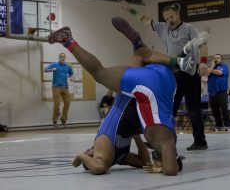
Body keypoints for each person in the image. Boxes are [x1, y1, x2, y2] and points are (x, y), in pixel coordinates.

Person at [48, 16, 189, 175]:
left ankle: (160, 55)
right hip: (139, 95)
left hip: (161, 85)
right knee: (99, 73)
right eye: (89, 154)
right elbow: (98, 167)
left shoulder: (120, 156)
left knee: (140, 56)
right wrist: (80, 157)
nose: (89, 151)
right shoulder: (106, 156)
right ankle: (68, 41)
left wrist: (136, 137)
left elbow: (144, 162)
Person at [121, 0, 208, 150]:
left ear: (178, 14)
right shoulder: (163, 28)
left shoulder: (189, 29)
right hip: (173, 72)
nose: (170, 21)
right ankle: (163, 139)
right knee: (169, 107)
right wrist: (130, 9)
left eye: (172, 17)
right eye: (167, 18)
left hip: (190, 72)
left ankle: (200, 141)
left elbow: (203, 44)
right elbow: (144, 19)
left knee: (193, 107)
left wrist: (204, 62)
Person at [72, 94, 151, 174]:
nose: (89, 148)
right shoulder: (120, 157)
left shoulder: (102, 145)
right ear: (92, 157)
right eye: (87, 151)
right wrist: (137, 138)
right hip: (134, 104)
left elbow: (98, 168)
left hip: (127, 99)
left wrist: (80, 156)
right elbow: (146, 162)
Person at [44, 53, 74, 127]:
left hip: (65, 87)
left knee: (67, 103)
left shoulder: (67, 66)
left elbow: (71, 74)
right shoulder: (55, 64)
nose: (62, 58)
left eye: (64, 57)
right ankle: (55, 120)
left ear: (65, 58)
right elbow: (45, 70)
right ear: (59, 58)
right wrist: (52, 69)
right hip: (56, 87)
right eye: (61, 57)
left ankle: (63, 119)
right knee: (57, 104)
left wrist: (72, 77)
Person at [205, 54, 230, 131]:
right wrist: (211, 67)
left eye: (218, 58)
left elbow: (220, 73)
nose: (216, 59)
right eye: (215, 58)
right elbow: (206, 75)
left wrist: (210, 70)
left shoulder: (224, 66)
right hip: (212, 92)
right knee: (215, 110)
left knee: (224, 109)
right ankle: (219, 125)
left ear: (221, 60)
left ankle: (228, 125)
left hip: (221, 91)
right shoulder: (210, 67)